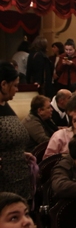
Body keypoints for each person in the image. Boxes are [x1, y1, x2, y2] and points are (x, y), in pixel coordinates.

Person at [0, 62, 34, 199]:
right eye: (14, 85)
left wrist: (19, 153)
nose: (17, 89)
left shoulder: (5, 105)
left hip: (19, 178)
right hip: (4, 183)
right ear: (3, 84)